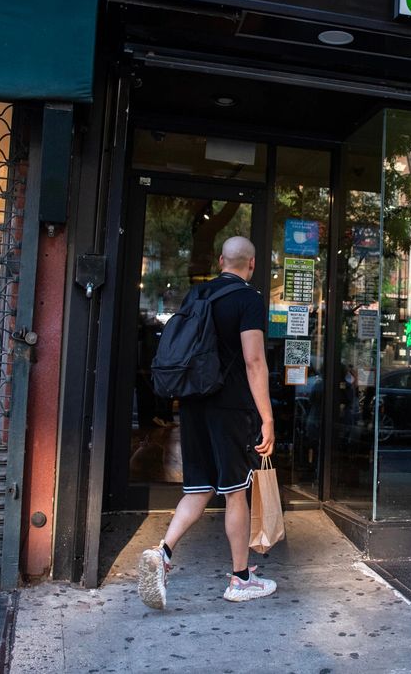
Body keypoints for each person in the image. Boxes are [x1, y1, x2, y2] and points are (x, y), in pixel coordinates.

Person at [137, 235, 277, 607]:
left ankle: (163, 553)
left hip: (194, 403)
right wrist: (267, 417)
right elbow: (254, 361)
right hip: (230, 408)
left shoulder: (197, 297)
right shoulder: (249, 299)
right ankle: (241, 579)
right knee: (235, 492)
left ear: (220, 261)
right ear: (251, 264)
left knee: (198, 488)